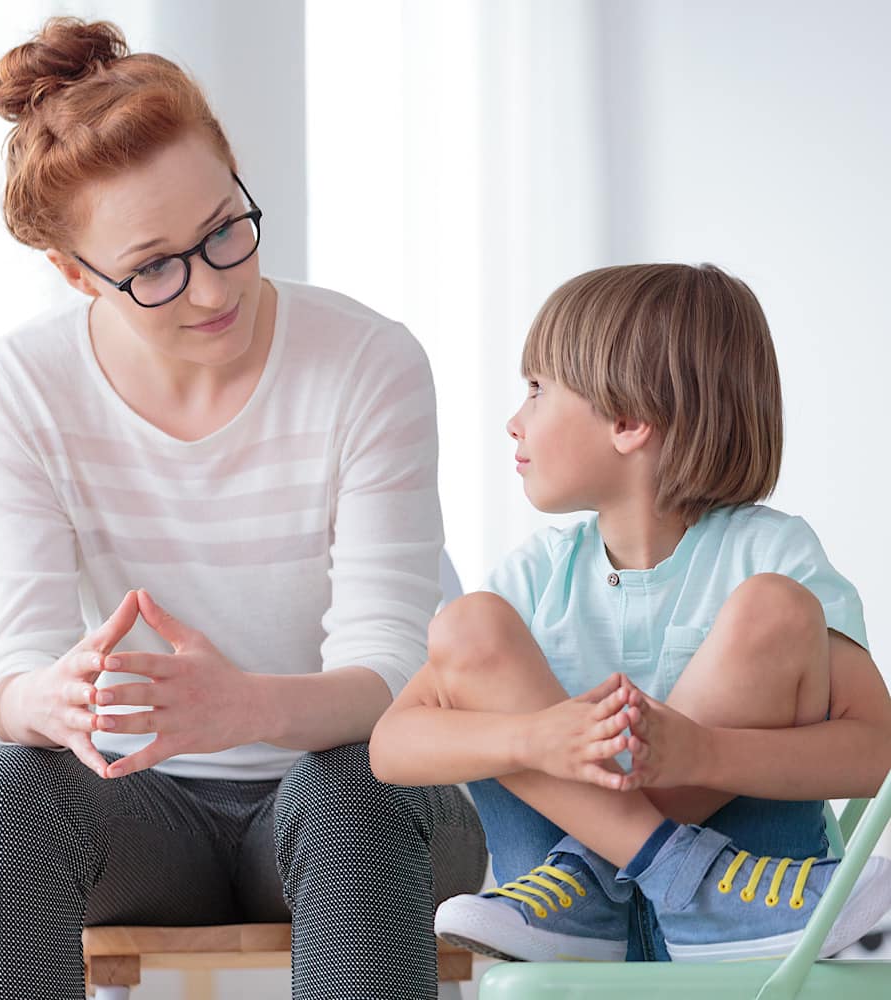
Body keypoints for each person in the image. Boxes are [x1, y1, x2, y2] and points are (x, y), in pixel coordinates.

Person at [0, 17, 486, 1000]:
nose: (212, 287)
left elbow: (392, 673)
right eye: (153, 268)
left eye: (225, 228)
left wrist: (248, 707)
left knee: (350, 781)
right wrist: (46, 697)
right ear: (74, 275)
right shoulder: (25, 383)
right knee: (0, 791)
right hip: (143, 815)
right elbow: (8, 676)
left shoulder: (367, 362)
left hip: (353, 801)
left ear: (237, 178)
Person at [369, 262, 891, 963]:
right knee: (468, 625)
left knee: (774, 607)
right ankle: (640, 884)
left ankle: (624, 880)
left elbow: (874, 752)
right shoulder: (533, 578)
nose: (514, 420)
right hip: (561, 922)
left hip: (758, 919)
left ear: (627, 420)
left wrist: (706, 751)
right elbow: (391, 747)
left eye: (537, 389)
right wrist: (536, 738)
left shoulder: (773, 555)